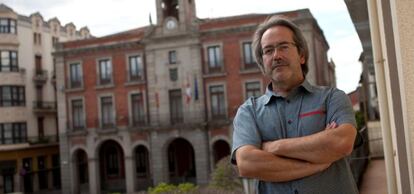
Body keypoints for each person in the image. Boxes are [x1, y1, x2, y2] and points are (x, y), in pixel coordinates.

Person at [231, 15, 359, 194]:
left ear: (302, 55)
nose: (276, 56)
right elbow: (247, 163)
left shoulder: (332, 98)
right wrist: (318, 162)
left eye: (283, 46)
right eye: (268, 50)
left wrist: (273, 147)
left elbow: (341, 142)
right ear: (263, 63)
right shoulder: (248, 112)